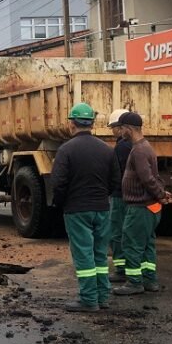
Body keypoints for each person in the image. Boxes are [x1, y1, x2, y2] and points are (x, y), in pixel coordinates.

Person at [50, 103, 120, 312]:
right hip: (102, 208)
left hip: (77, 209)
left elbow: (58, 183)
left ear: (72, 124)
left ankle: (89, 299)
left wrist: (61, 202)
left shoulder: (66, 150)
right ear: (92, 123)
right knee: (100, 254)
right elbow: (115, 181)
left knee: (83, 255)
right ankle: (102, 297)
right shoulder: (106, 150)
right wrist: (102, 196)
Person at [113, 112, 172, 296]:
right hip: (148, 207)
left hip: (139, 207)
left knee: (131, 244)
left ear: (128, 129)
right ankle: (149, 280)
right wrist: (161, 194)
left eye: (122, 128)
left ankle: (134, 282)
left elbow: (147, 178)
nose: (120, 131)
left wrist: (160, 194)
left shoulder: (138, 151)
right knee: (147, 244)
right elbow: (154, 177)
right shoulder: (146, 147)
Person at [107, 109, 133, 283]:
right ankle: (135, 270)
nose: (112, 131)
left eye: (113, 128)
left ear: (120, 127)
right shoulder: (136, 145)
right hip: (131, 195)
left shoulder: (122, 146)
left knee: (116, 232)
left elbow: (117, 172)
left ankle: (122, 269)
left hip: (120, 195)